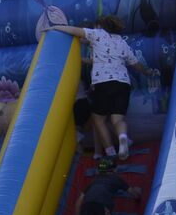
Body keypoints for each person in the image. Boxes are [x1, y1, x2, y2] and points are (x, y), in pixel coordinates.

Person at [49, 16, 159, 160]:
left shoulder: (98, 35)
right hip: (123, 84)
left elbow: (74, 31)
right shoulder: (121, 42)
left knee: (98, 120)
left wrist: (55, 27)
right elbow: (135, 64)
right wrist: (148, 72)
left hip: (104, 83)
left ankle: (110, 153)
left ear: (100, 27)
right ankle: (123, 137)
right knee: (117, 119)